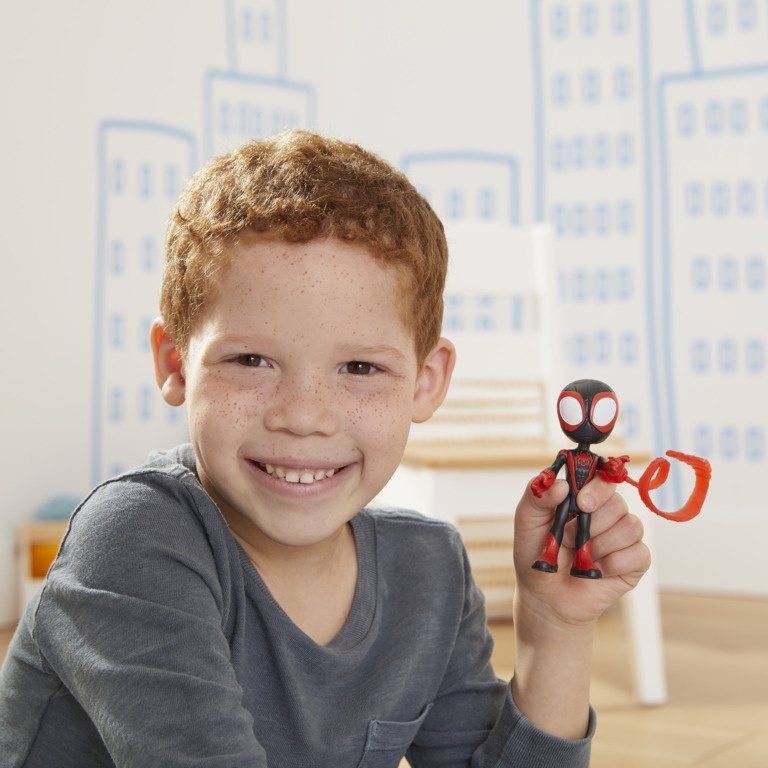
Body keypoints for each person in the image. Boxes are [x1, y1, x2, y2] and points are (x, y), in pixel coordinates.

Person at [0, 130, 650, 767]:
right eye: (251, 360)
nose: (304, 417)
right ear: (175, 364)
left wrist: (556, 628)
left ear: (426, 383)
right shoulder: (134, 540)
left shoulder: (429, 573)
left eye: (360, 368)